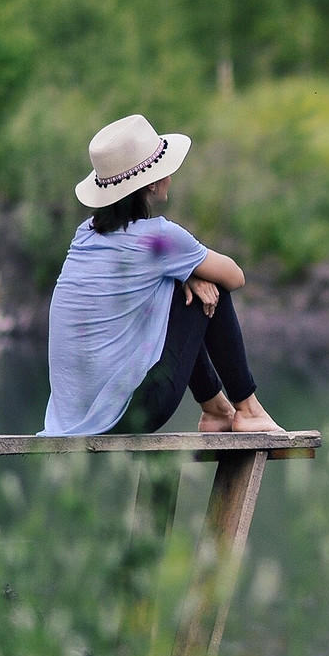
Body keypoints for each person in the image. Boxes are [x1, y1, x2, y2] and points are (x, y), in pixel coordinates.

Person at [40, 114, 281, 436]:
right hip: (129, 415)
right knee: (213, 288)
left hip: (70, 420)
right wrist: (189, 273)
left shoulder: (83, 236)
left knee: (187, 285)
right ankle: (247, 410)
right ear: (151, 182)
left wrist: (183, 275)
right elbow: (235, 277)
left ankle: (217, 411)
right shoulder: (160, 238)